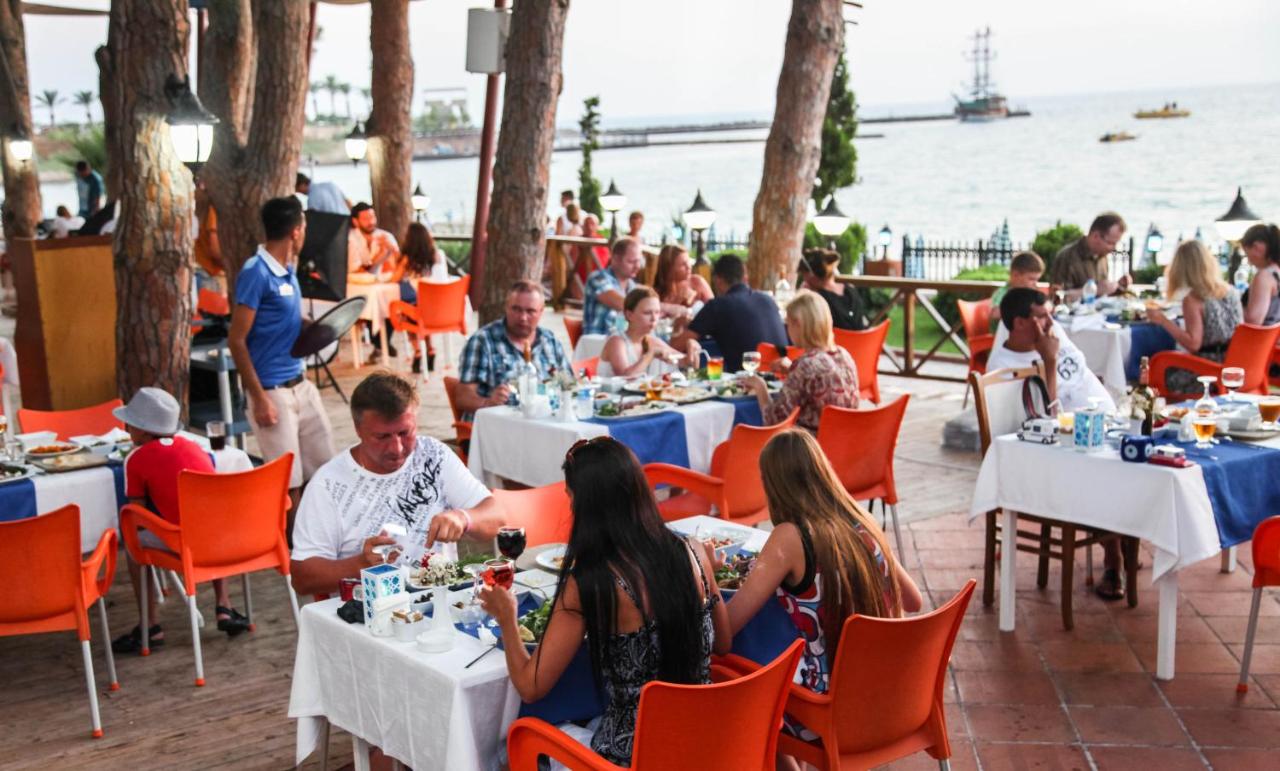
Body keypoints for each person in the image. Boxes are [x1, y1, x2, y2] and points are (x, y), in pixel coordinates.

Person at [478, 436, 730, 767]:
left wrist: (507, 618)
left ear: (586, 507)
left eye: (571, 500)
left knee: (503, 750)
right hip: (706, 745)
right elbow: (724, 642)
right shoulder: (693, 550)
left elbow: (530, 686)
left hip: (629, 756)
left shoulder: (592, 584)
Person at [723, 429, 921, 746]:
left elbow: (726, 630)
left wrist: (704, 572)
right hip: (894, 698)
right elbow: (913, 601)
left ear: (774, 485)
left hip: (828, 711)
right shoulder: (862, 520)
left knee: (740, 686)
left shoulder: (791, 538)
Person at [291, 373, 503, 595]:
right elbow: (302, 578)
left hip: (442, 598)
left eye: (405, 433)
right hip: (369, 607)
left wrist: (463, 518)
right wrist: (361, 564)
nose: (397, 448)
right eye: (382, 437)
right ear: (358, 429)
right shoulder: (328, 484)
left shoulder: (433, 454)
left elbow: (497, 517)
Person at [228, 196, 336, 538]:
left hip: (301, 383)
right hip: (271, 391)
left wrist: (314, 328)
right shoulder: (256, 273)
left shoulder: (288, 268)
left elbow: (282, 320)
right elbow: (236, 340)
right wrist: (259, 398)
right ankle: (296, 550)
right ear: (296, 231)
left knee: (326, 468)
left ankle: (324, 537)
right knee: (289, 482)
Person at [112, 388, 250, 654]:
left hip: (183, 544)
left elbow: (138, 516)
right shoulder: (196, 448)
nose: (127, 428)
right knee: (207, 520)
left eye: (130, 424)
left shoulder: (135, 459)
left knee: (132, 543)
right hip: (220, 540)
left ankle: (150, 625)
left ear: (143, 430)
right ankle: (224, 605)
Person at [741, 291, 859, 431]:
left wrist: (760, 387)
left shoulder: (805, 366)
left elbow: (774, 421)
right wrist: (792, 370)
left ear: (798, 324)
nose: (787, 330)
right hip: (844, 439)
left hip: (810, 443)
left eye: (788, 324)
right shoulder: (844, 355)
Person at [456, 280, 572, 421]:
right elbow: (462, 397)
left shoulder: (549, 341)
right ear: (506, 307)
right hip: (497, 425)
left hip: (544, 422)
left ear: (541, 311)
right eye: (516, 309)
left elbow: (570, 385)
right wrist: (487, 403)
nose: (523, 317)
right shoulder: (483, 341)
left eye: (530, 311)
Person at [987, 287, 1115, 413]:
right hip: (1072, 425)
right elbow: (1045, 418)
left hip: (1108, 418)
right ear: (1019, 323)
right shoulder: (1002, 368)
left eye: (1051, 315)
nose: (1051, 322)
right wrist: (1050, 361)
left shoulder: (1053, 332)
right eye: (1042, 316)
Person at [1147, 240, 1243, 395]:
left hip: (1208, 373)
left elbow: (1193, 344)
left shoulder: (1194, 299)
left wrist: (1163, 321)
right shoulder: (1231, 291)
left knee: (1154, 370)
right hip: (1236, 367)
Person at [673, 254, 788, 373]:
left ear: (718, 280)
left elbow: (675, 348)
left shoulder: (717, 306)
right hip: (782, 375)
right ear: (744, 276)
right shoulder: (768, 299)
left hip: (748, 378)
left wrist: (678, 326)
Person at [388, 222, 450, 374]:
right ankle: (431, 349)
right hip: (441, 309)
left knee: (406, 310)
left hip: (420, 312)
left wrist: (395, 258)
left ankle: (417, 351)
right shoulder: (438, 255)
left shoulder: (408, 260)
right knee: (421, 310)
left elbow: (393, 279)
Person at [600, 287, 701, 378]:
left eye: (657, 312)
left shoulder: (651, 341)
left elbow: (687, 364)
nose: (654, 318)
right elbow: (625, 377)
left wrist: (692, 347)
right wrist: (650, 355)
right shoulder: (617, 342)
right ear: (629, 315)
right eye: (647, 313)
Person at [1047, 212, 1130, 298]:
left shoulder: (1102, 256)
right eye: (1110, 243)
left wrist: (1117, 287)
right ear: (1096, 236)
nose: (1114, 248)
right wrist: (1095, 290)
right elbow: (1057, 296)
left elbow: (1102, 294)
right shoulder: (1067, 257)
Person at [582, 237, 645, 336]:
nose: (637, 266)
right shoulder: (597, 278)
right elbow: (623, 304)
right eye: (631, 262)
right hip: (597, 341)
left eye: (639, 261)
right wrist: (660, 308)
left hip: (620, 340)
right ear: (615, 259)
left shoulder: (631, 286)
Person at [797, 248, 866, 331]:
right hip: (864, 338)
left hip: (835, 339)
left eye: (804, 275)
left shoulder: (817, 300)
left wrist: (802, 294)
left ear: (811, 275)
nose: (804, 279)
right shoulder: (851, 289)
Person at [652, 244, 713, 322]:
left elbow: (715, 310)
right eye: (683, 264)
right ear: (669, 269)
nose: (689, 267)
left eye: (688, 262)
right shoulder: (657, 293)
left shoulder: (697, 282)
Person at [988, 250, 1044, 333]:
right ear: (1015, 275)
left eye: (1037, 280)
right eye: (1031, 279)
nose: (1035, 283)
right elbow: (995, 314)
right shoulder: (1003, 293)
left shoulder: (1027, 294)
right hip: (1002, 334)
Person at [1241, 223, 1280, 327]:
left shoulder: (1264, 276)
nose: (1249, 261)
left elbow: (1253, 320)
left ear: (1256, 247)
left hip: (1257, 336)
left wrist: (1232, 305)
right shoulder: (1276, 272)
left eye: (1247, 254)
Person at [347, 202, 400, 277]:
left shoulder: (385, 236)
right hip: (354, 282)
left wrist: (393, 249)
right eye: (365, 219)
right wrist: (379, 256)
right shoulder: (349, 238)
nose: (371, 222)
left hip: (379, 282)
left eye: (372, 217)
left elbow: (401, 266)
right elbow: (356, 271)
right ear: (355, 221)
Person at [192, 177, 225, 292]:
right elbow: (214, 249)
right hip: (206, 276)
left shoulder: (198, 207)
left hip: (197, 271)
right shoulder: (213, 210)